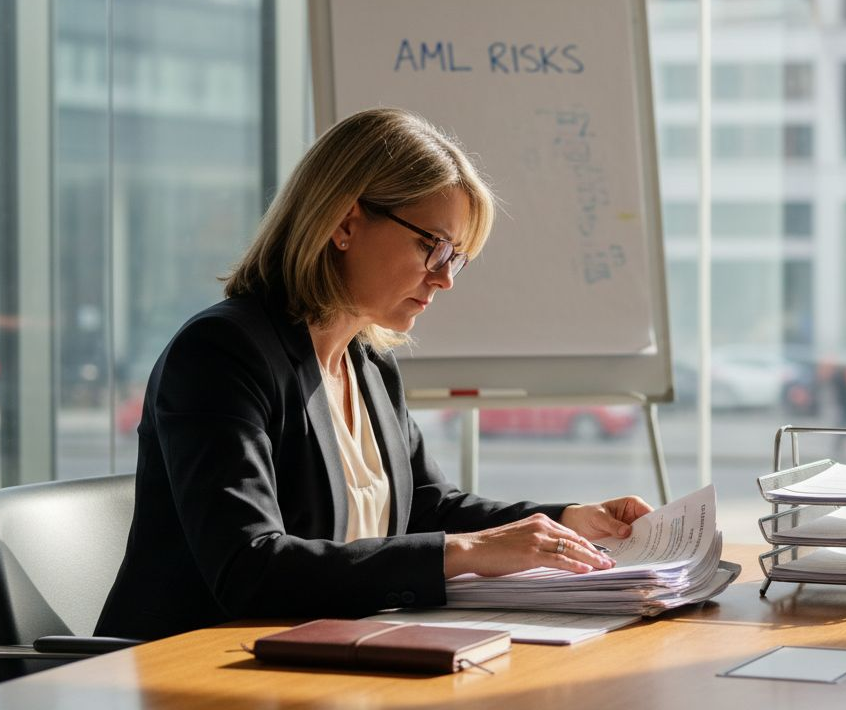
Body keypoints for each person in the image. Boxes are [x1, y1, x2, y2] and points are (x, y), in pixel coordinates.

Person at [95, 108, 653, 641]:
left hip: (325, 658)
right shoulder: (220, 353)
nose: (445, 279)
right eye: (432, 246)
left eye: (455, 257)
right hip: (195, 673)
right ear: (345, 222)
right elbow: (250, 568)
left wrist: (566, 522)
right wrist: (462, 553)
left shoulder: (368, 361)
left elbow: (427, 506)